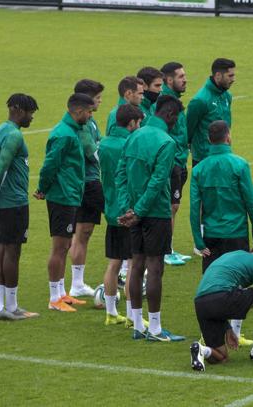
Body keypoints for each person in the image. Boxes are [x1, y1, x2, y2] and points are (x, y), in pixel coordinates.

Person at [116, 95, 185, 342]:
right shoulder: (166, 142)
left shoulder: (134, 136)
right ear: (170, 116)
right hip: (154, 213)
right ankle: (155, 328)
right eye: (177, 118)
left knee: (136, 265)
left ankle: (137, 325)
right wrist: (141, 210)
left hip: (133, 212)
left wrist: (128, 209)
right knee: (155, 267)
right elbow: (158, 182)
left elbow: (120, 174)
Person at [189, 120, 253, 346]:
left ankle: (212, 333)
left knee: (213, 283)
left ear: (209, 140)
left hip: (211, 234)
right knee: (238, 283)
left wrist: (198, 240)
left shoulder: (200, 168)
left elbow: (194, 207)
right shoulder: (239, 165)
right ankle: (236, 332)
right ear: (228, 137)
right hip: (236, 232)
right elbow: (251, 202)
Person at [0, 93, 40, 321]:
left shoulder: (0, 130)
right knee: (12, 253)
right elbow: (0, 168)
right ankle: (9, 307)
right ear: (18, 110)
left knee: (3, 250)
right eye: (30, 113)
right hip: (14, 203)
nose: (32, 118)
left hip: (6, 202)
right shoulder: (13, 135)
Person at [35, 93, 94, 312]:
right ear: (78, 111)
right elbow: (50, 165)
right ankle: (53, 298)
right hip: (62, 197)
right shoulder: (63, 135)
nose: (90, 116)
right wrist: (43, 188)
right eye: (89, 112)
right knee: (59, 247)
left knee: (66, 244)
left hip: (70, 195)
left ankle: (61, 293)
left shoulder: (72, 131)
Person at [190, 244, 253, 372]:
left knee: (221, 357)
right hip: (221, 297)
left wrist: (227, 328)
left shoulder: (232, 255)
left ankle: (201, 350)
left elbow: (216, 294)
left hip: (201, 304)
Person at [99, 104, 144, 326]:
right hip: (128, 210)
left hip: (110, 210)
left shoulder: (104, 143)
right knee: (133, 266)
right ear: (131, 123)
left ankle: (110, 313)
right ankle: (130, 316)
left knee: (113, 263)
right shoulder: (130, 143)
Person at [68, 79, 105, 298]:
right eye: (98, 97)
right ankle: (77, 283)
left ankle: (77, 283)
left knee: (84, 232)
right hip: (88, 183)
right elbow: (95, 153)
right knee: (84, 232)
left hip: (89, 182)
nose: (100, 101)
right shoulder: (82, 127)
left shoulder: (90, 122)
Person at [161, 61, 191, 266]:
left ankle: (168, 248)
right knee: (170, 206)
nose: (185, 79)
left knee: (173, 207)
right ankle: (165, 250)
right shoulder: (166, 103)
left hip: (180, 160)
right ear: (169, 80)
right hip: (173, 162)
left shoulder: (174, 101)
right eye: (181, 76)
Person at [187, 58, 235, 166]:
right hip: (204, 158)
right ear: (218, 75)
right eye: (230, 76)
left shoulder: (227, 96)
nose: (233, 79)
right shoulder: (200, 100)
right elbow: (189, 129)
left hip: (224, 153)